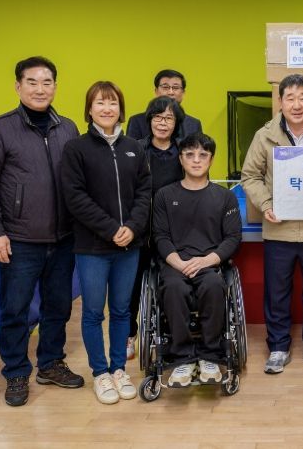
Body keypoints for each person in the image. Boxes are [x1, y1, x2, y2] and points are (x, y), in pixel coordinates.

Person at [0, 56, 84, 407]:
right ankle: (16, 371)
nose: (40, 89)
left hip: (63, 239)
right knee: (15, 309)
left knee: (58, 307)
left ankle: (50, 363)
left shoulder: (68, 128)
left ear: (55, 86)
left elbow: (78, 181)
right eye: (32, 82)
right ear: (18, 86)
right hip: (18, 240)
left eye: (47, 82)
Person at [60, 81, 152, 404]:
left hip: (129, 246)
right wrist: (112, 228)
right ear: (89, 109)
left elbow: (144, 193)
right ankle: (100, 373)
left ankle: (118, 369)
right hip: (93, 248)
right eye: (100, 102)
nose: (107, 108)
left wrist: (133, 228)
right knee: (93, 312)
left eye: (112, 103)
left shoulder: (135, 148)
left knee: (122, 311)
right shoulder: (76, 149)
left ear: (120, 109)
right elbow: (75, 197)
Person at [241, 74, 303, 374]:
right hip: (278, 230)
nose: (297, 105)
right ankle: (278, 347)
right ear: (280, 102)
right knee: (277, 293)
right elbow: (250, 176)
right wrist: (267, 204)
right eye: (290, 98)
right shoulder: (264, 136)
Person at [152, 132, 242, 387]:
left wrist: (205, 261)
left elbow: (233, 238)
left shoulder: (225, 197)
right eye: (190, 154)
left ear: (211, 160)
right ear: (180, 159)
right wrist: (180, 264)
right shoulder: (164, 195)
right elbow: (160, 236)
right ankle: (183, 359)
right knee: (173, 288)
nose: (196, 160)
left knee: (214, 286)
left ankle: (209, 356)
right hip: (174, 264)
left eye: (203, 155)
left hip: (210, 264)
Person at [126, 96, 185, 360]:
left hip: (173, 233)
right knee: (131, 287)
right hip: (138, 231)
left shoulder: (184, 152)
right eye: (158, 117)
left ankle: (167, 333)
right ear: (149, 120)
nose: (162, 123)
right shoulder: (135, 149)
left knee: (170, 285)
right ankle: (129, 335)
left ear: (176, 123)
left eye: (169, 118)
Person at [126, 69, 202, 140]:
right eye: (165, 87)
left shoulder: (194, 124)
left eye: (175, 88)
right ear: (156, 91)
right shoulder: (137, 121)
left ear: (183, 93)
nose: (170, 92)